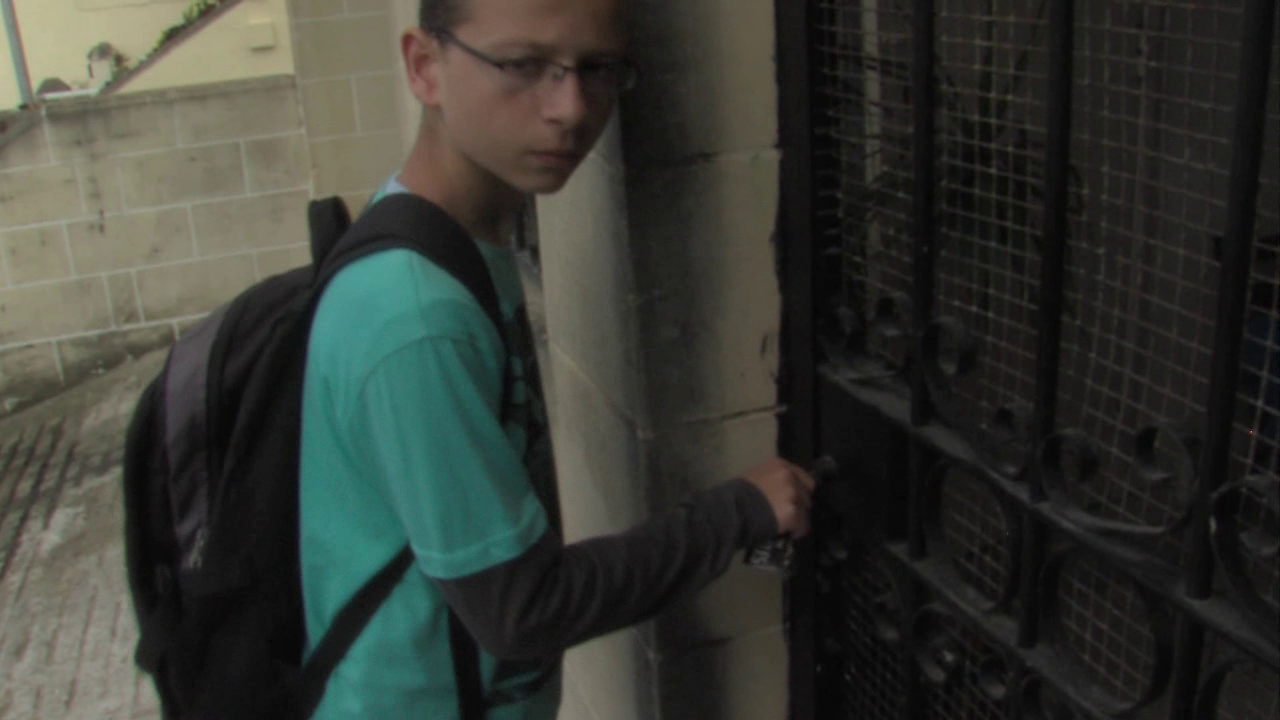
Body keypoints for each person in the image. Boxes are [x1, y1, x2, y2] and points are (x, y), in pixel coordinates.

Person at [297, 0, 816, 717]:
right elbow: (522, 611)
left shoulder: (457, 237)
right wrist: (738, 512)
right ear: (424, 66)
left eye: (597, 69)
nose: (571, 109)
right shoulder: (416, 319)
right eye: (522, 65)